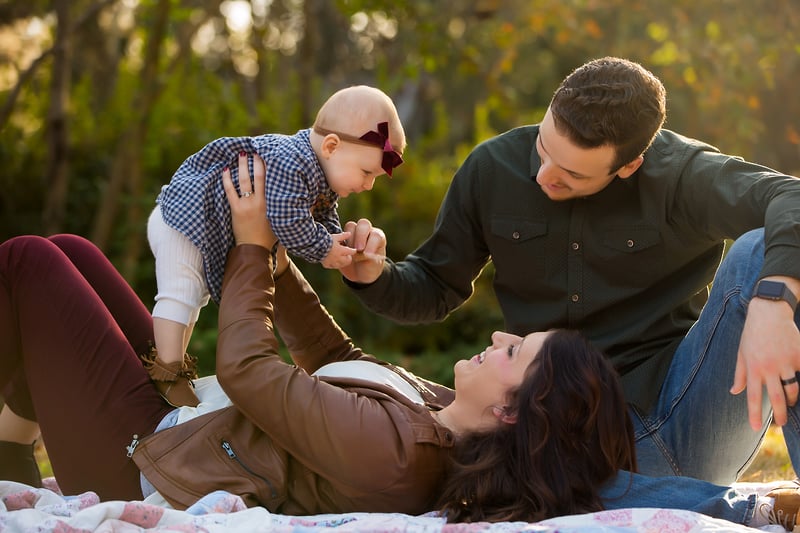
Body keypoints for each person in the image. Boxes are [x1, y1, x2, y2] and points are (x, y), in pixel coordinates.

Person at [0, 155, 798, 531]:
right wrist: (291, 251)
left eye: (514, 350)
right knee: (70, 249)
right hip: (194, 426)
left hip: (148, 459)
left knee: (27, 265)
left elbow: (248, 370)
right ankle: (12, 437)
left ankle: (13, 454)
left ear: (518, 411)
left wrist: (245, 246)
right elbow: (332, 355)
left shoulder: (394, 454)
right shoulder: (440, 414)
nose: (495, 333)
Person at [341, 56, 800, 486]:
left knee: (766, 252)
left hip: (676, 420)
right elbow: (434, 285)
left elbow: (790, 198)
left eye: (572, 175)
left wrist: (773, 307)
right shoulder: (492, 168)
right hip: (551, 450)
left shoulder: (679, 175)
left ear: (630, 165)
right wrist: (372, 275)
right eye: (543, 150)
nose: (544, 177)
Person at [145, 85, 406, 407]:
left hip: (202, 227)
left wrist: (336, 241)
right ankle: (166, 372)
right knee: (180, 294)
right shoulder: (291, 162)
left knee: (194, 299)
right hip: (186, 218)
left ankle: (177, 367)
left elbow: (322, 213)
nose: (368, 185)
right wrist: (324, 249)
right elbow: (286, 219)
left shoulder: (320, 173)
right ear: (331, 145)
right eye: (367, 172)